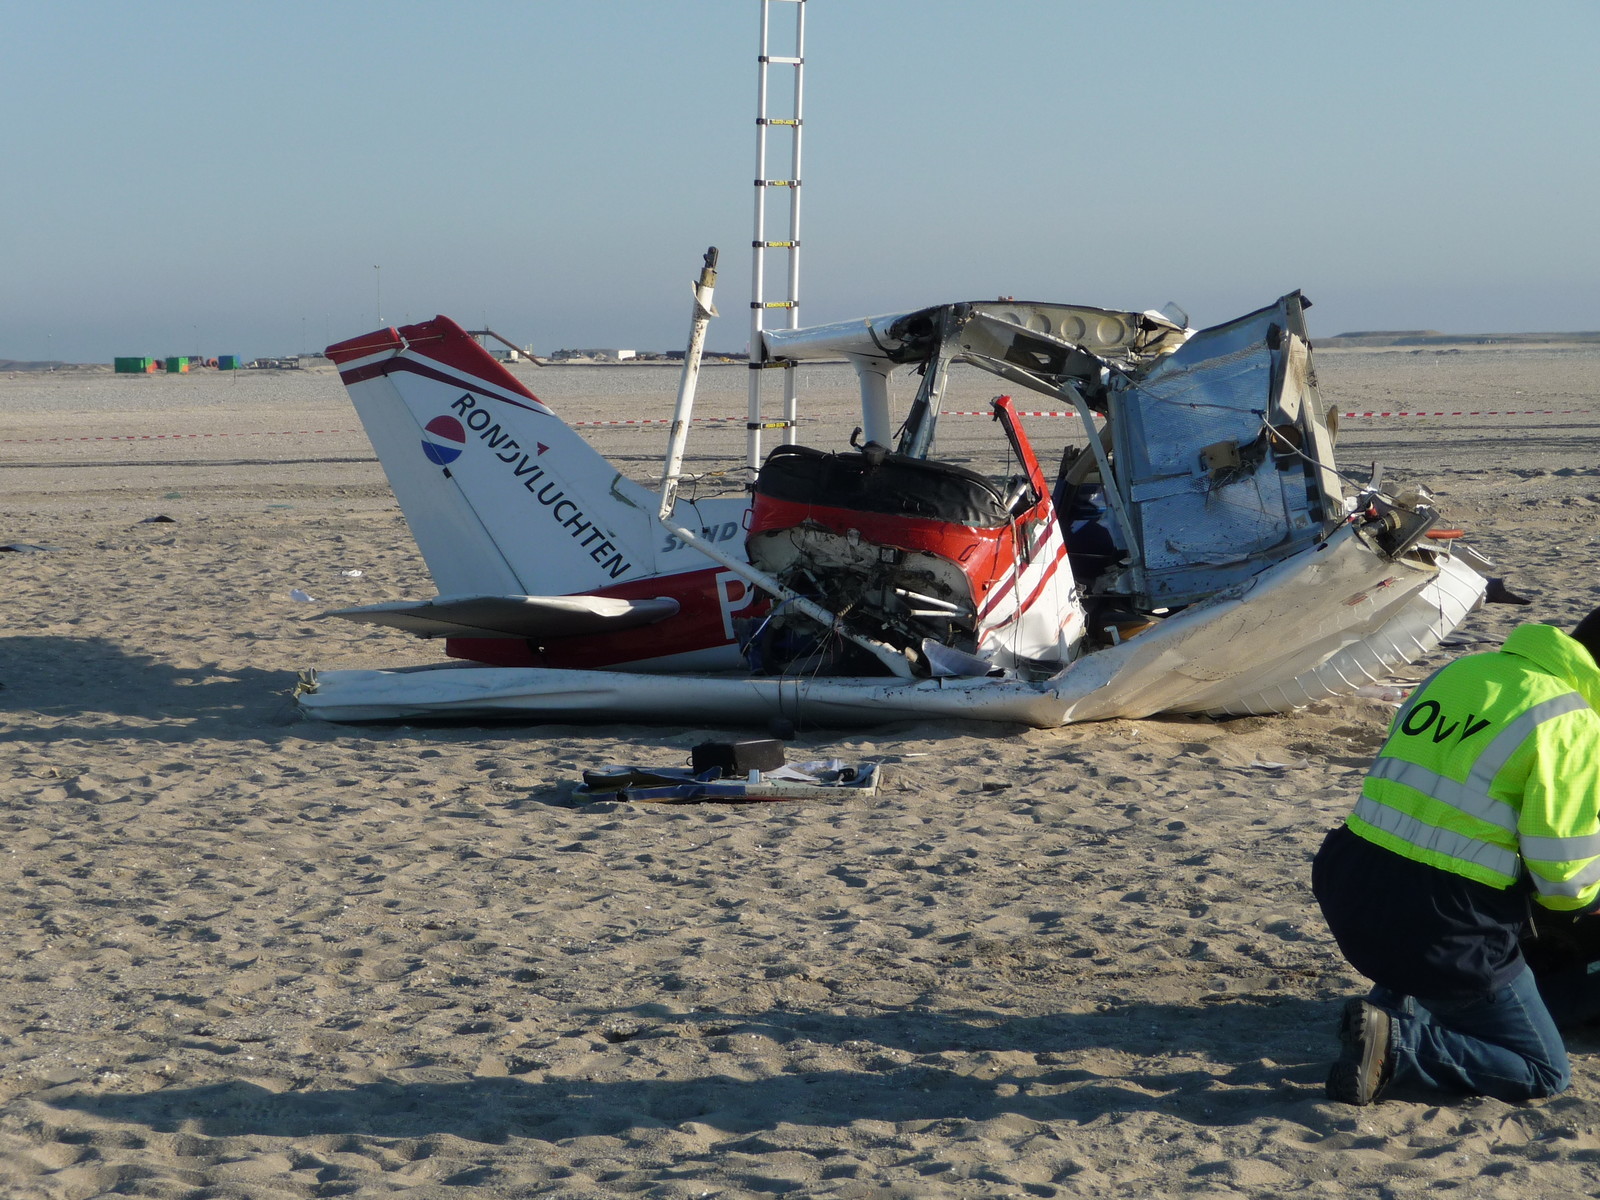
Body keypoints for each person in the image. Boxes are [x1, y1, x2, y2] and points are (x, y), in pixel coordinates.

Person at [1312, 604, 1600, 1105]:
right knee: (1544, 1071)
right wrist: (1586, 903)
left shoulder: (1460, 671)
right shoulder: (1571, 720)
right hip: (1444, 922)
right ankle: (1399, 1047)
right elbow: (1562, 876)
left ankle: (1394, 1004)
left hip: (1350, 884)